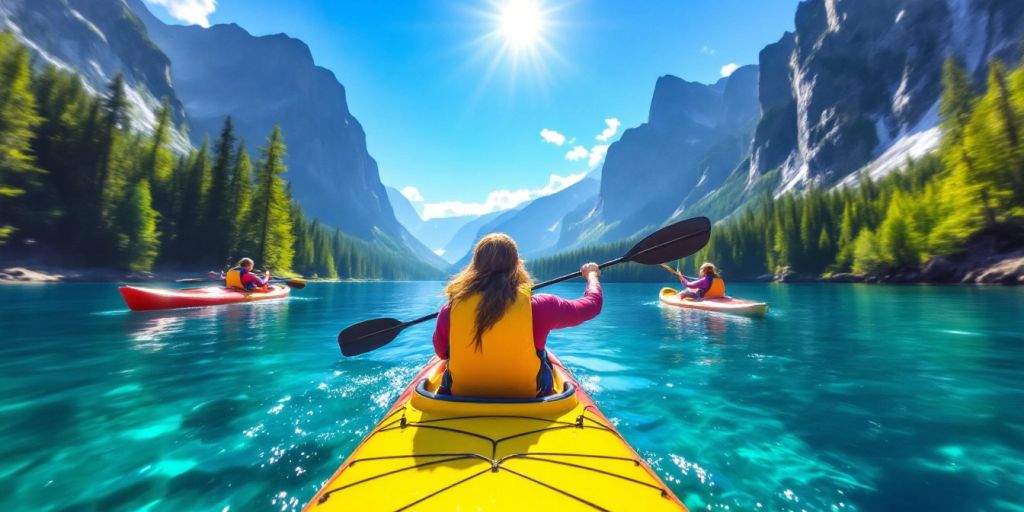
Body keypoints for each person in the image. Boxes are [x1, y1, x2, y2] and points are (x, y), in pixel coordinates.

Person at [431, 233, 602, 399]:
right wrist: (592, 276)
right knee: (542, 356)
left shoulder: (450, 310)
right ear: (516, 265)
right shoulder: (541, 306)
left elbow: (442, 353)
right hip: (528, 396)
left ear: (475, 267)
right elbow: (592, 306)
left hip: (461, 396)